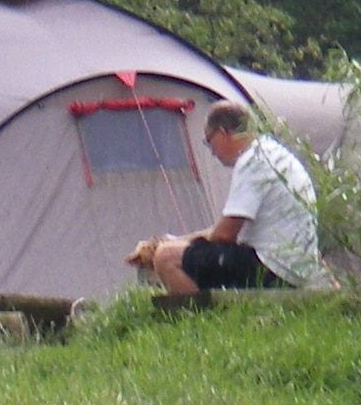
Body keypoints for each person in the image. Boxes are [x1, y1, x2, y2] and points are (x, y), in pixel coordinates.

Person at [131, 102, 319, 295]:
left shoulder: (252, 161)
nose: (212, 152)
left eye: (209, 141)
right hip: (294, 268)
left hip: (273, 268)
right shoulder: (271, 152)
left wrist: (172, 245)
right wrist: (178, 240)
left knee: (166, 258)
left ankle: (201, 320)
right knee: (182, 252)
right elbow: (226, 230)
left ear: (222, 133)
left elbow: (224, 235)